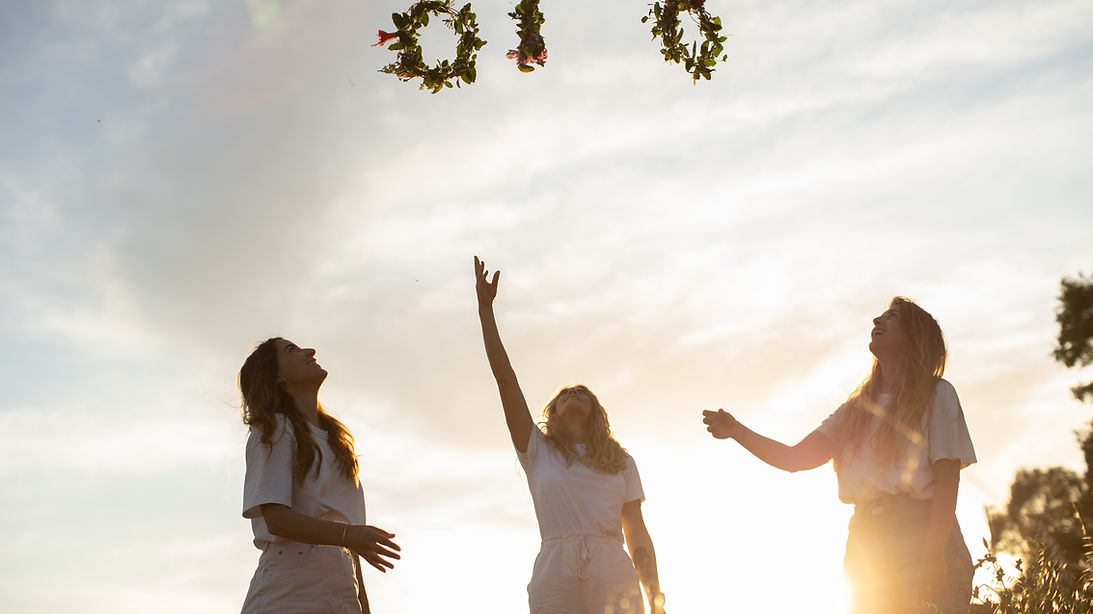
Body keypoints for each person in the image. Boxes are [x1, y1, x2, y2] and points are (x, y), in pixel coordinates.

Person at [702, 297, 976, 614]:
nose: (878, 320)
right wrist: (737, 430)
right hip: (866, 543)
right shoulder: (856, 410)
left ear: (914, 336)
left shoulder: (938, 395)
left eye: (892, 316)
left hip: (920, 534)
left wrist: (932, 557)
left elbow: (946, 483)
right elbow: (795, 458)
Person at [474, 256, 667, 614]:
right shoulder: (537, 450)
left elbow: (636, 533)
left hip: (613, 569)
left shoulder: (620, 461)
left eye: (581, 392)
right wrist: (486, 312)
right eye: (563, 393)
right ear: (553, 411)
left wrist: (656, 597)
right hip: (555, 571)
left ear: (595, 410)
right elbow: (505, 379)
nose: (571, 394)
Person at [238, 337, 401, 614]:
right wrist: (349, 536)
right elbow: (276, 519)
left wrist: (364, 607)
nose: (310, 351)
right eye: (293, 350)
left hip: (341, 593)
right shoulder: (276, 428)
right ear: (277, 378)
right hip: (288, 595)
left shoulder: (337, 442)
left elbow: (349, 539)